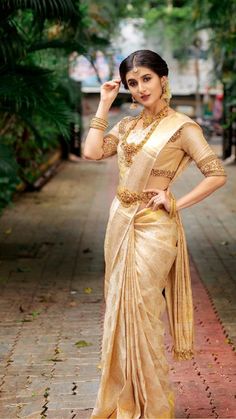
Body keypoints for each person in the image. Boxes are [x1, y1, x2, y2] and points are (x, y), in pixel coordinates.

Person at [83, 50, 227, 419]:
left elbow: (216, 174)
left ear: (163, 78)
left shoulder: (183, 127)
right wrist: (104, 103)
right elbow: (91, 152)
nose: (140, 87)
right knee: (119, 310)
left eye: (146, 78)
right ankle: (124, 399)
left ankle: (152, 406)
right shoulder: (128, 126)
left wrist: (174, 200)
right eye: (133, 82)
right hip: (120, 221)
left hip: (153, 227)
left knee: (143, 312)